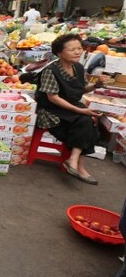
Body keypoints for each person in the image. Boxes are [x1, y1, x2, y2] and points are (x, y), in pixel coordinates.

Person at [35, 33, 108, 185]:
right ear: (59, 53)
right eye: (72, 49)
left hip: (71, 108)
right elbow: (53, 98)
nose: (77, 52)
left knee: (90, 121)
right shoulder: (51, 70)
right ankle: (78, 165)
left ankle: (74, 161)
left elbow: (81, 90)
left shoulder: (79, 68)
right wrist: (81, 111)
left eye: (79, 48)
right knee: (86, 120)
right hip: (52, 110)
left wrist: (96, 85)